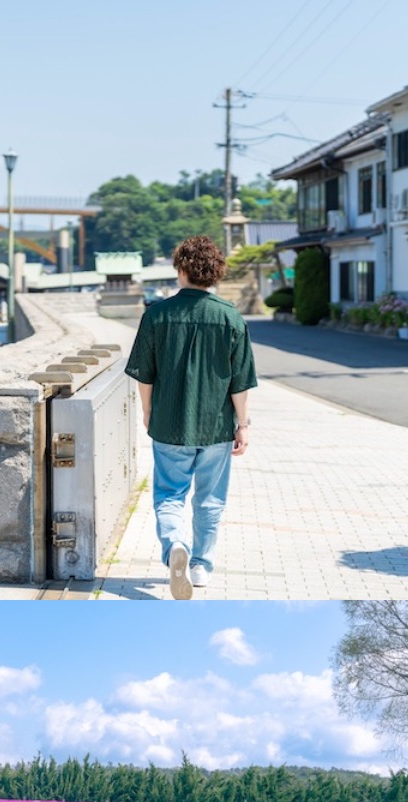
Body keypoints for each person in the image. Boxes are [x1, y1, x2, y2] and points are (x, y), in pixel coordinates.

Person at [124, 235, 258, 600]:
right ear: (215, 272)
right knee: (210, 499)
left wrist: (149, 414)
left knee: (169, 495)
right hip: (216, 426)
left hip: (169, 423)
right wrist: (242, 425)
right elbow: (239, 382)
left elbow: (145, 375)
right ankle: (200, 566)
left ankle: (174, 547)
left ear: (181, 269)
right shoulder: (230, 317)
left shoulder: (157, 314)